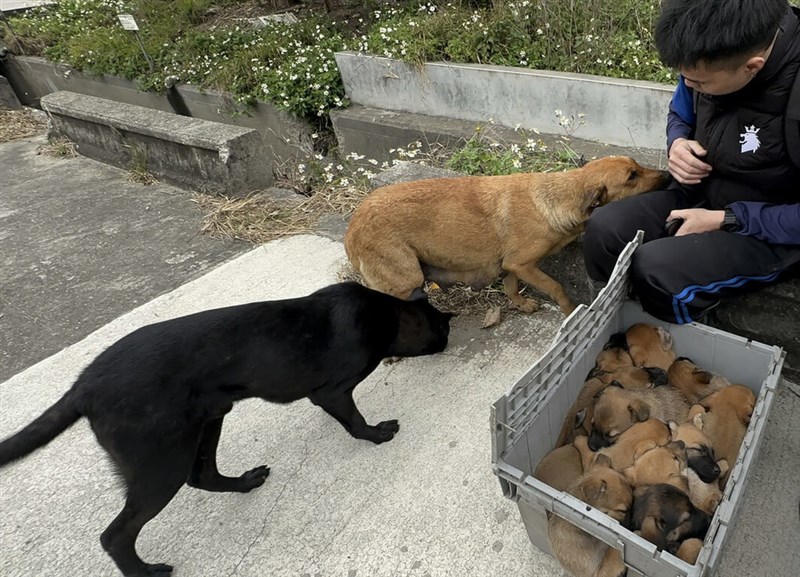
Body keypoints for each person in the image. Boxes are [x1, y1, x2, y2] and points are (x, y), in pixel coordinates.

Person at [583, 0, 800, 324]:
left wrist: (726, 219)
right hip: (702, 190)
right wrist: (679, 142)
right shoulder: (710, 52)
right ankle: (611, 325)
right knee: (603, 231)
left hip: (771, 224)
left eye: (700, 84)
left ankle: (679, 338)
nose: (688, 86)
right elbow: (680, 112)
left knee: (656, 269)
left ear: (751, 67)